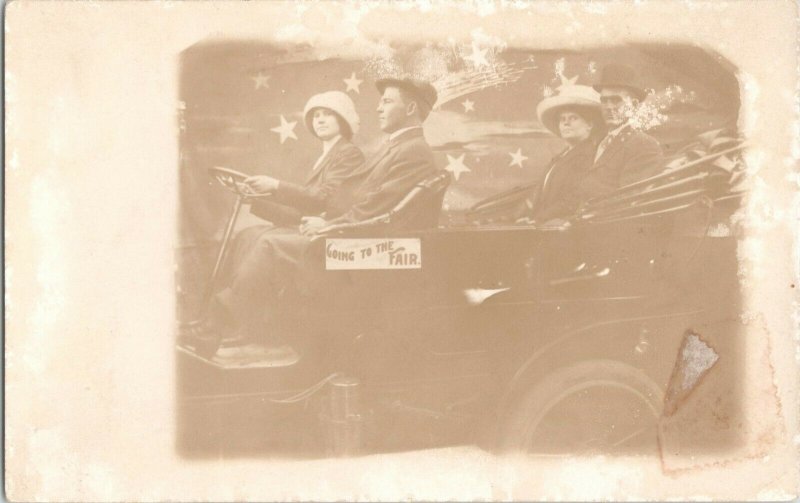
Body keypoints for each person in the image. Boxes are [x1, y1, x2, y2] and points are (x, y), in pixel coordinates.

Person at [188, 78, 442, 358]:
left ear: (411, 109)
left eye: (387, 101)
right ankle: (220, 327)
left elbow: (378, 211)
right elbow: (363, 202)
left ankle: (210, 331)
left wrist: (330, 225)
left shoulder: (413, 151)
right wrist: (327, 221)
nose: (379, 108)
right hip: (364, 239)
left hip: (379, 249)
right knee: (263, 238)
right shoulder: (397, 147)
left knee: (271, 244)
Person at [519, 83, 606, 223]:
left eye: (573, 118)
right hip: (544, 224)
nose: (566, 123)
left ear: (589, 124)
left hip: (563, 229)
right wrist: (529, 216)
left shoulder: (589, 156)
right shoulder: (561, 157)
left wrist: (539, 219)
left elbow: (574, 198)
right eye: (562, 119)